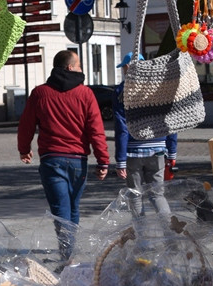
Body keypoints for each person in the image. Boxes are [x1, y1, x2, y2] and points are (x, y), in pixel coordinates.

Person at [17, 50, 110, 260]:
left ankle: (67, 256)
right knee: (72, 209)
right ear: (69, 68)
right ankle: (69, 255)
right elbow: (96, 129)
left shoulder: (40, 93)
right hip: (78, 160)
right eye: (78, 65)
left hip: (52, 160)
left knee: (61, 210)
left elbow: (26, 125)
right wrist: (103, 160)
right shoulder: (85, 94)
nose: (81, 69)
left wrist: (24, 148)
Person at [113, 52, 175, 218]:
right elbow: (171, 120)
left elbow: (122, 127)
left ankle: (143, 240)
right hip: (158, 150)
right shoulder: (158, 88)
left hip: (133, 151)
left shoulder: (122, 91)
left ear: (128, 67)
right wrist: (172, 150)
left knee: (135, 195)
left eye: (124, 68)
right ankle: (170, 231)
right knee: (157, 195)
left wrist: (120, 160)